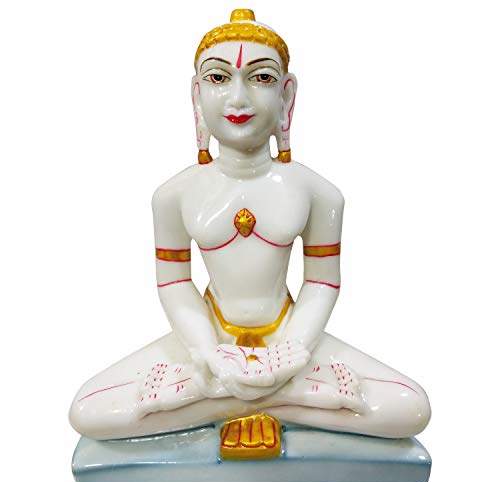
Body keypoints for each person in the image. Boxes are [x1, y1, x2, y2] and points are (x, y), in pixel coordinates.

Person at [69, 9, 430, 446]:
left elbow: (321, 283)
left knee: (410, 407)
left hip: (289, 335)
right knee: (88, 410)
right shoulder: (174, 195)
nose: (238, 98)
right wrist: (206, 351)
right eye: (218, 78)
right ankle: (281, 400)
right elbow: (174, 284)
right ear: (196, 95)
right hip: (208, 335)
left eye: (260, 78)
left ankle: (224, 400)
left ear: (287, 96)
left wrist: (291, 352)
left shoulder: (317, 192)